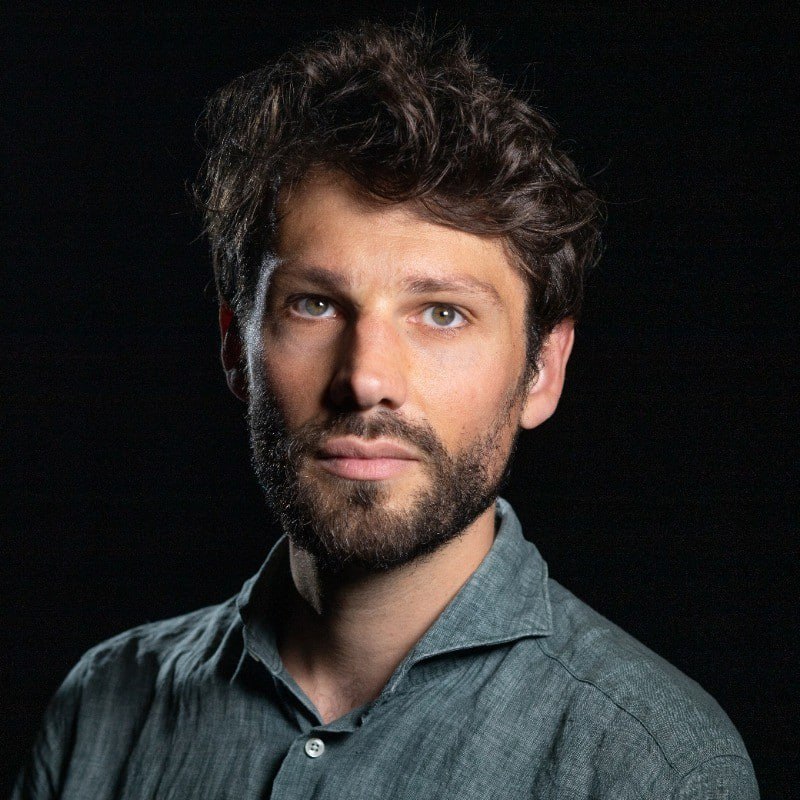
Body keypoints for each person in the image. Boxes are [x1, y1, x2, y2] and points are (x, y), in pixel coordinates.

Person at [13, 20, 759, 800]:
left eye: (442, 314)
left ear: (542, 370)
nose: (366, 380)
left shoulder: (652, 768)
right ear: (236, 346)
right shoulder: (101, 711)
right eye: (314, 304)